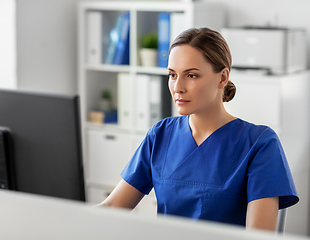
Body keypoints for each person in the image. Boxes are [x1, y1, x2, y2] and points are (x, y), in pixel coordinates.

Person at [98, 27, 299, 231]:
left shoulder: (259, 144)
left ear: (222, 78)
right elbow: (113, 206)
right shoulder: (160, 135)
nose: (177, 87)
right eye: (172, 75)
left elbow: (258, 236)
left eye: (191, 75)